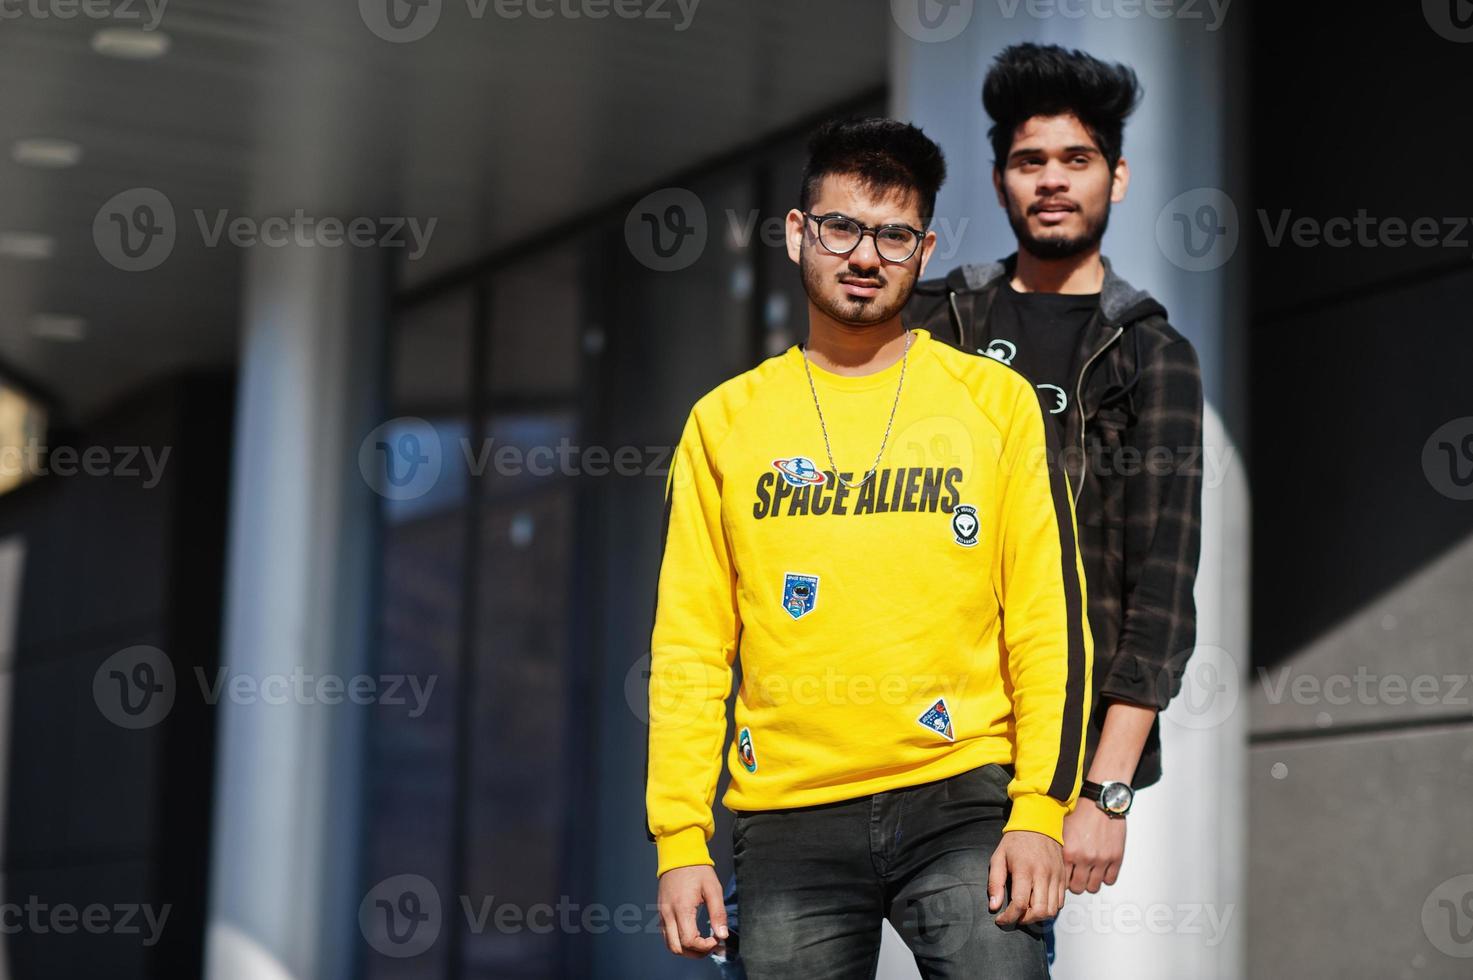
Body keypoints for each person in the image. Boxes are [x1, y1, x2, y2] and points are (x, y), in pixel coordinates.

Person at [645, 116, 1092, 978]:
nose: (864, 255)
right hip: (787, 814)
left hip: (966, 798)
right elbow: (691, 644)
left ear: (922, 249)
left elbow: (1049, 619)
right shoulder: (724, 421)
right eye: (841, 226)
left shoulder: (992, 404)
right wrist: (678, 836)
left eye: (892, 235)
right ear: (796, 234)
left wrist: (1040, 808)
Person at [905, 43, 1206, 967]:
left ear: (1115, 178)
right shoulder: (936, 327)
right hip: (914, 727)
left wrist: (1104, 790)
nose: (1050, 181)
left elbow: (1161, 589)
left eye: (1075, 160)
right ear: (999, 181)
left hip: (1051, 751)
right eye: (1029, 161)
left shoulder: (1151, 355)